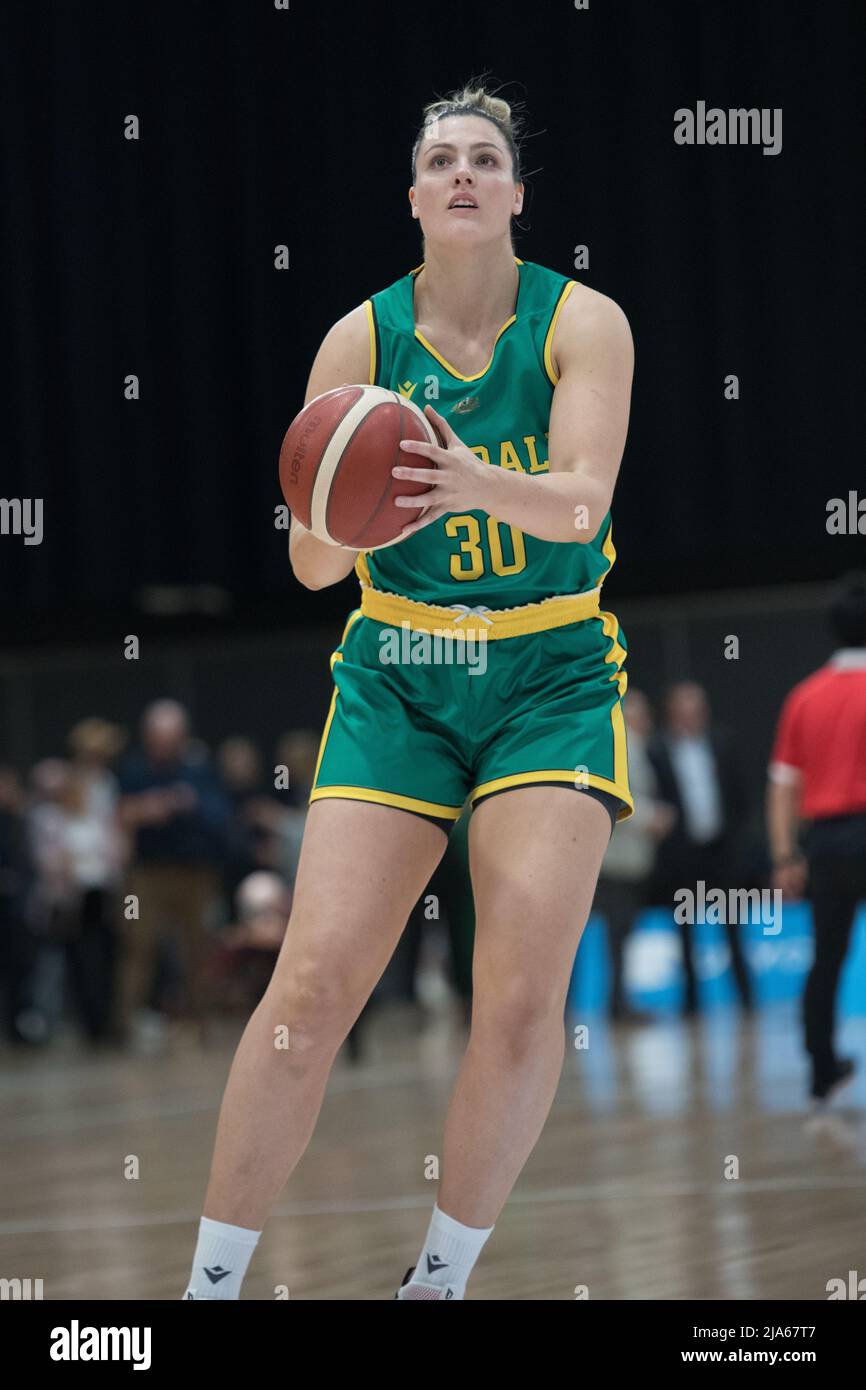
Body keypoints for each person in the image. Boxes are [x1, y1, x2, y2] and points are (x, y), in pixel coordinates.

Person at [184, 80, 635, 1302]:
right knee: (313, 983)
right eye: (440, 160)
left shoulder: (581, 321)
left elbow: (584, 497)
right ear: (414, 197)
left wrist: (470, 478)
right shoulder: (359, 342)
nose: (462, 176)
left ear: (515, 195)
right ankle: (209, 1290)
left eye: (484, 159)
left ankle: (435, 1280)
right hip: (400, 669)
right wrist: (337, 511)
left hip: (548, 668)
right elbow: (310, 560)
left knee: (522, 990)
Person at [767, 572, 866, 1105]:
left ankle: (821, 1067)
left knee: (826, 958)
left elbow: (782, 787)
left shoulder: (805, 697)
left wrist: (785, 854)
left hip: (827, 843)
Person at [116, 700, 230, 1047]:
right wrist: (149, 808)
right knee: (139, 947)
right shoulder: (133, 769)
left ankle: (201, 1024)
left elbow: (220, 814)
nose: (165, 743)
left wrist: (188, 803)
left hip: (195, 873)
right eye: (158, 736)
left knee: (199, 948)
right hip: (148, 875)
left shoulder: (198, 768)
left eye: (172, 736)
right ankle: (128, 1025)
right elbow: (119, 813)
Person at [648, 682, 752, 1015]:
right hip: (682, 855)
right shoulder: (658, 750)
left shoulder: (723, 743)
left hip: (720, 850)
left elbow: (739, 798)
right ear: (672, 713)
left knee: (733, 925)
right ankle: (691, 1003)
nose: (691, 717)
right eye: (684, 710)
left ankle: (745, 997)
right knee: (685, 930)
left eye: (696, 710)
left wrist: (738, 842)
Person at [593, 690, 675, 1023]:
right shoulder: (622, 745)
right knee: (616, 936)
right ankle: (616, 1005)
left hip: (630, 862)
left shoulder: (637, 747)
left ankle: (618, 1002)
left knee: (620, 936)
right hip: (617, 862)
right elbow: (615, 796)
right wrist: (652, 816)